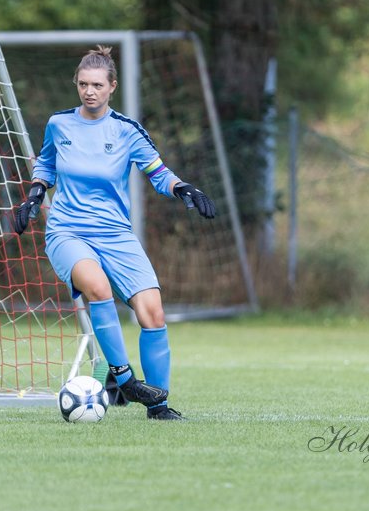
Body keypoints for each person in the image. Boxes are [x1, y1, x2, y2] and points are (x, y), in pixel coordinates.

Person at [12, 45, 216, 421]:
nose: (89, 91)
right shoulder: (59, 124)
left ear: (112, 87)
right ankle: (123, 378)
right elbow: (46, 163)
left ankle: (158, 405)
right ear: (76, 84)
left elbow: (158, 173)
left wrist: (184, 188)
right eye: (83, 84)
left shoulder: (126, 131)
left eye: (97, 85)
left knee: (152, 312)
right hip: (68, 231)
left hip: (115, 234)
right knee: (98, 288)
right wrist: (34, 195)